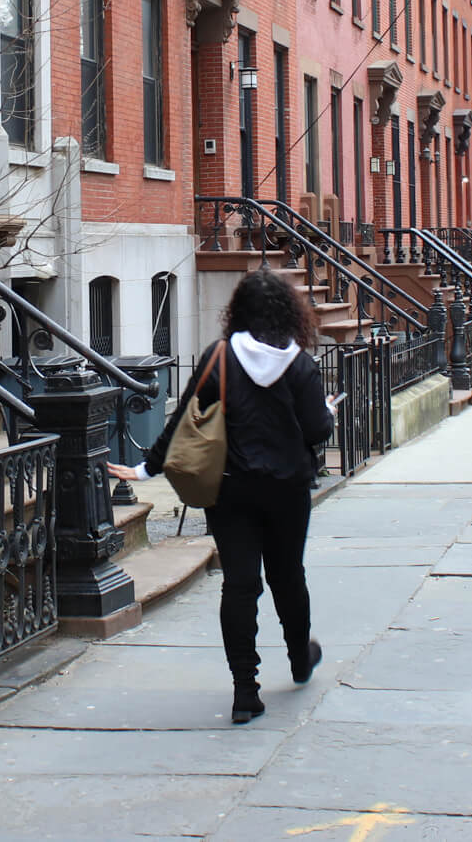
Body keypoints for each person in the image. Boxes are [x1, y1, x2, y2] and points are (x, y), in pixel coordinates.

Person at [107, 270, 337, 724]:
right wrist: (326, 410)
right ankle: (298, 656)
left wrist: (145, 467)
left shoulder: (220, 358)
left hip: (230, 489)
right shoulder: (302, 365)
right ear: (289, 314)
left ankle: (244, 691)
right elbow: (317, 430)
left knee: (240, 584)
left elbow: (184, 419)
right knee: (288, 576)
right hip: (287, 490)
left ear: (239, 311)